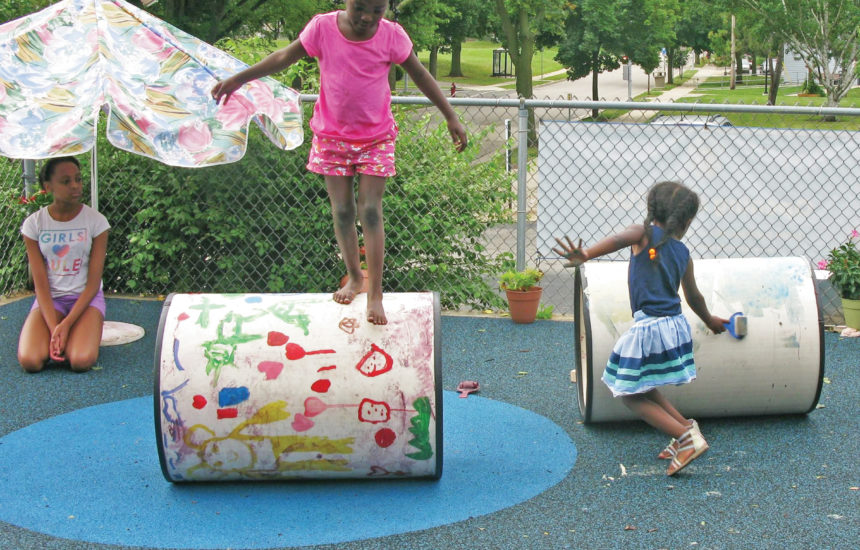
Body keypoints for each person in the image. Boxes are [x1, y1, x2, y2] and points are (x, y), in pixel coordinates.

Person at [211, 0, 468, 325]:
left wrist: (450, 115)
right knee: (343, 211)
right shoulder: (322, 28)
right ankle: (355, 277)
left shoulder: (391, 36)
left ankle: (375, 293)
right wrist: (239, 79)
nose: (367, 17)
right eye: (360, 7)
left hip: (376, 137)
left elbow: (419, 74)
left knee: (371, 211)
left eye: (377, 10)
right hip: (331, 137)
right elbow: (282, 57)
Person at [553, 181, 728, 476]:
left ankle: (687, 440)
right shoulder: (683, 252)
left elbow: (619, 238)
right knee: (644, 385)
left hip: (651, 326)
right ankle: (685, 428)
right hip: (673, 325)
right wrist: (709, 319)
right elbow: (693, 296)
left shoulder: (642, 233)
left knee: (629, 393)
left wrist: (586, 255)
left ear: (651, 210)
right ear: (685, 222)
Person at [17, 157, 110, 373]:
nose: (75, 186)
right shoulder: (34, 224)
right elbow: (40, 285)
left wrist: (66, 325)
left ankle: (82, 329)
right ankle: (64, 334)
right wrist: (54, 329)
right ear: (48, 187)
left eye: (78, 179)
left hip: (86, 300)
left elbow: (93, 284)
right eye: (66, 181)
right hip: (51, 301)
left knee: (80, 361)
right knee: (30, 361)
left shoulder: (97, 222)